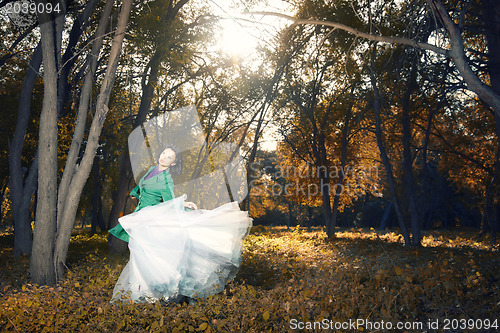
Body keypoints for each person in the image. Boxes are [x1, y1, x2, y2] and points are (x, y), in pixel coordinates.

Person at [109, 146, 252, 303]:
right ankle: (142, 291)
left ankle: (155, 292)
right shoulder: (151, 169)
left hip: (151, 220)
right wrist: (136, 192)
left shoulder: (165, 179)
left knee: (146, 254)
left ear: (172, 163)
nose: (164, 158)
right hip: (141, 217)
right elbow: (144, 185)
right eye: (164, 153)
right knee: (138, 252)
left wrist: (184, 205)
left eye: (169, 158)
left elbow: (170, 201)